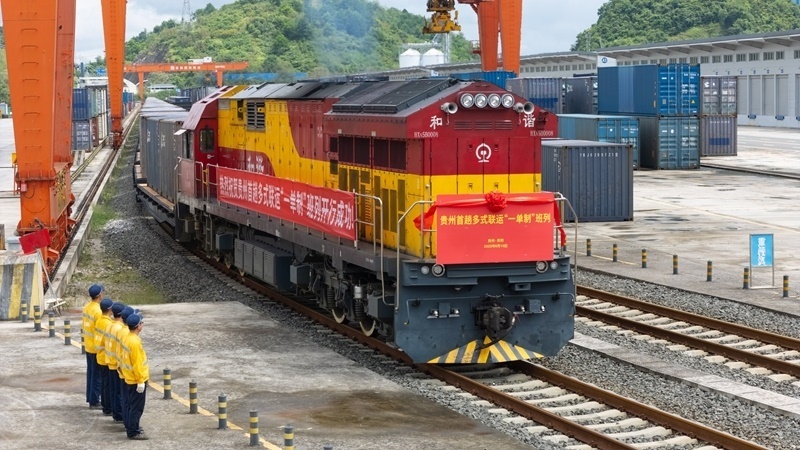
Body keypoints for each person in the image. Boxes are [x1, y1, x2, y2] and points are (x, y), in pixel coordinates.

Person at [120, 313, 149, 440]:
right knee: (136, 407)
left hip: (128, 377)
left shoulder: (127, 337)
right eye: (141, 323)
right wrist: (140, 381)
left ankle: (130, 426)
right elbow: (137, 364)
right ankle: (133, 431)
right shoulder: (135, 343)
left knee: (129, 405)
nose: (142, 324)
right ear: (138, 326)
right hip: (135, 379)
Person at [103, 302, 126, 423]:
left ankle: (114, 411)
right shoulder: (120, 329)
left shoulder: (110, 326)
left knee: (112, 390)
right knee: (118, 392)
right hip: (116, 364)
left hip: (109, 362)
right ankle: (119, 414)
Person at [81, 283, 104, 408]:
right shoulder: (98, 311)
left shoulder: (87, 307)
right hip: (96, 348)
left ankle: (90, 397)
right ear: (100, 295)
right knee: (97, 376)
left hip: (88, 345)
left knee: (91, 374)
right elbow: (100, 331)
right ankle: (94, 400)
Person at [116, 306, 138, 430]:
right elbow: (137, 362)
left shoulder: (123, 333)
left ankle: (128, 423)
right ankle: (132, 428)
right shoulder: (130, 339)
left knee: (126, 400)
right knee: (133, 404)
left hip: (123, 371)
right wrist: (141, 380)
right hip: (130, 376)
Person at [94, 298, 114, 416]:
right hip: (106, 358)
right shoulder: (108, 324)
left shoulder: (99, 320)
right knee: (108, 385)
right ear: (110, 310)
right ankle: (107, 407)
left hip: (100, 356)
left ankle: (105, 406)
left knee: (104, 383)